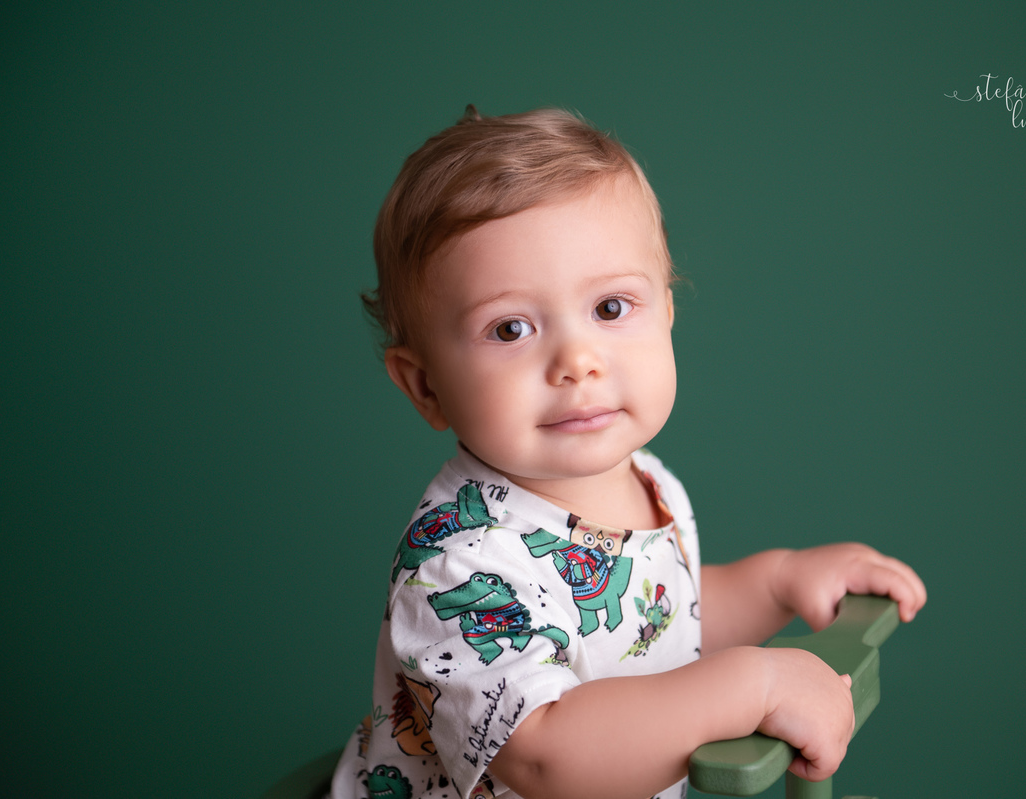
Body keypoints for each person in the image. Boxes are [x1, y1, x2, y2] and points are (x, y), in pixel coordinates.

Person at [330, 106, 926, 799]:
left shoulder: (646, 479)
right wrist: (753, 683)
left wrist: (778, 582)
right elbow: (547, 755)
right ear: (426, 385)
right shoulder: (458, 565)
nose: (577, 360)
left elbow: (656, 621)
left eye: (610, 308)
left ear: (666, 314)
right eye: (511, 328)